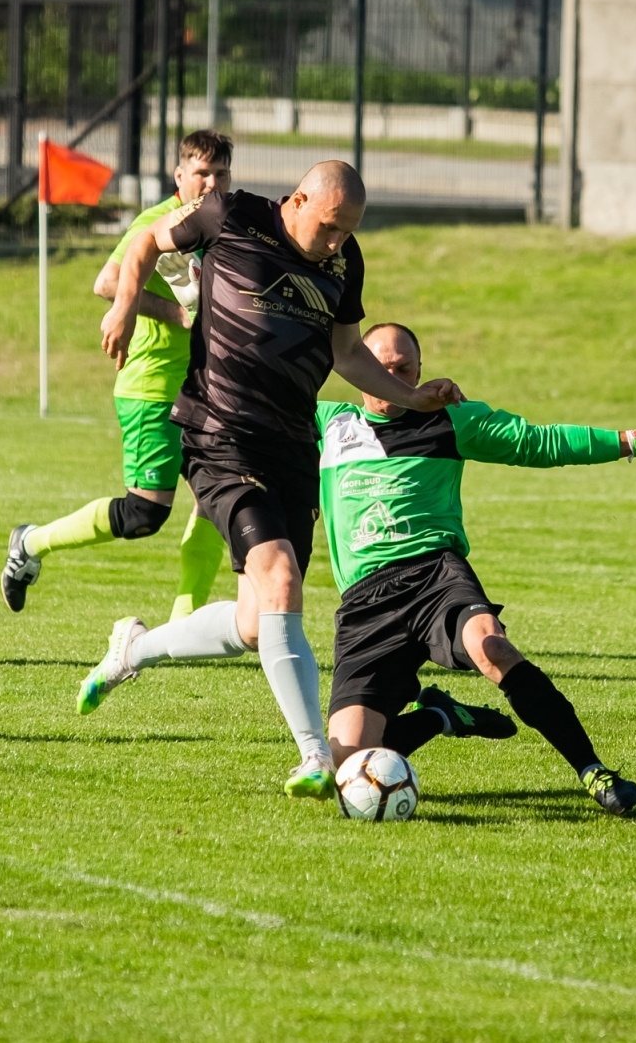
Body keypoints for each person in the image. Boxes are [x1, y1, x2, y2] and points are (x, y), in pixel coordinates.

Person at [79, 162, 465, 799]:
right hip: (219, 433)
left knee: (260, 623)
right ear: (300, 199)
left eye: (349, 231)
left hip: (291, 448)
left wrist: (412, 396)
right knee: (282, 576)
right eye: (330, 225)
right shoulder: (233, 215)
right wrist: (125, 305)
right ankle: (315, 756)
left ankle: (135, 649)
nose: (337, 241)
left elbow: (346, 355)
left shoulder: (345, 262)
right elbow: (147, 241)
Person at [320, 323, 636, 816]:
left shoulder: (452, 420)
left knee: (490, 645)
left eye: (403, 368)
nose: (392, 376)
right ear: (356, 368)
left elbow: (543, 442)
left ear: (419, 371)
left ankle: (593, 772)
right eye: (380, 367)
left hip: (433, 575)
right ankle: (438, 716)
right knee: (342, 764)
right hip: (366, 603)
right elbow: (234, 408)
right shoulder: (326, 423)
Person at [0, 131, 233, 623]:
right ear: (179, 176)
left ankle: (183, 622)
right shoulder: (156, 223)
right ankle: (31, 542)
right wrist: (176, 316)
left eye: (220, 174)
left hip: (207, 391)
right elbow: (105, 282)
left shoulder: (224, 228)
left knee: (219, 497)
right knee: (145, 515)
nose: (211, 183)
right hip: (153, 386)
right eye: (201, 173)